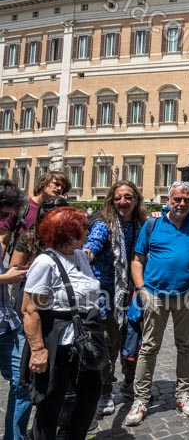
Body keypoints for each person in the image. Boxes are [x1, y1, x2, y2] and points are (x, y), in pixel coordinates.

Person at [124, 181, 189, 427]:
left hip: (187, 295)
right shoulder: (152, 224)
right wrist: (141, 289)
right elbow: (137, 259)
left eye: (186, 199)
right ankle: (141, 398)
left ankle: (183, 393)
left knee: (185, 345)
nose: (182, 204)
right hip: (154, 294)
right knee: (149, 347)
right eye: (177, 199)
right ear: (168, 199)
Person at [21, 207, 103, 439]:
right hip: (57, 339)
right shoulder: (45, 262)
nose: (87, 231)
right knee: (51, 401)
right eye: (83, 228)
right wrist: (38, 351)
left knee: (90, 394)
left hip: (83, 338)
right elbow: (29, 309)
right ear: (68, 233)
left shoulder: (80, 255)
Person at [83, 181, 147, 417]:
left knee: (133, 341)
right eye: (119, 197)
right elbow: (93, 245)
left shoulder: (142, 225)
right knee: (109, 344)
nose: (123, 202)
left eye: (128, 197)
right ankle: (106, 391)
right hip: (107, 295)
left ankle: (130, 384)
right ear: (112, 200)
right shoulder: (104, 225)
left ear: (136, 200)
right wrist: (84, 255)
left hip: (133, 293)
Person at [0, 180, 32, 440]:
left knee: (23, 381)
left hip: (6, 323)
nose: (5, 221)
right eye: (3, 215)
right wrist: (5, 279)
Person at [1, 171, 71, 257]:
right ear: (43, 183)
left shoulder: (57, 211)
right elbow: (3, 240)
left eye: (62, 187)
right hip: (21, 260)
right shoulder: (22, 206)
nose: (59, 189)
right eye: (56, 184)